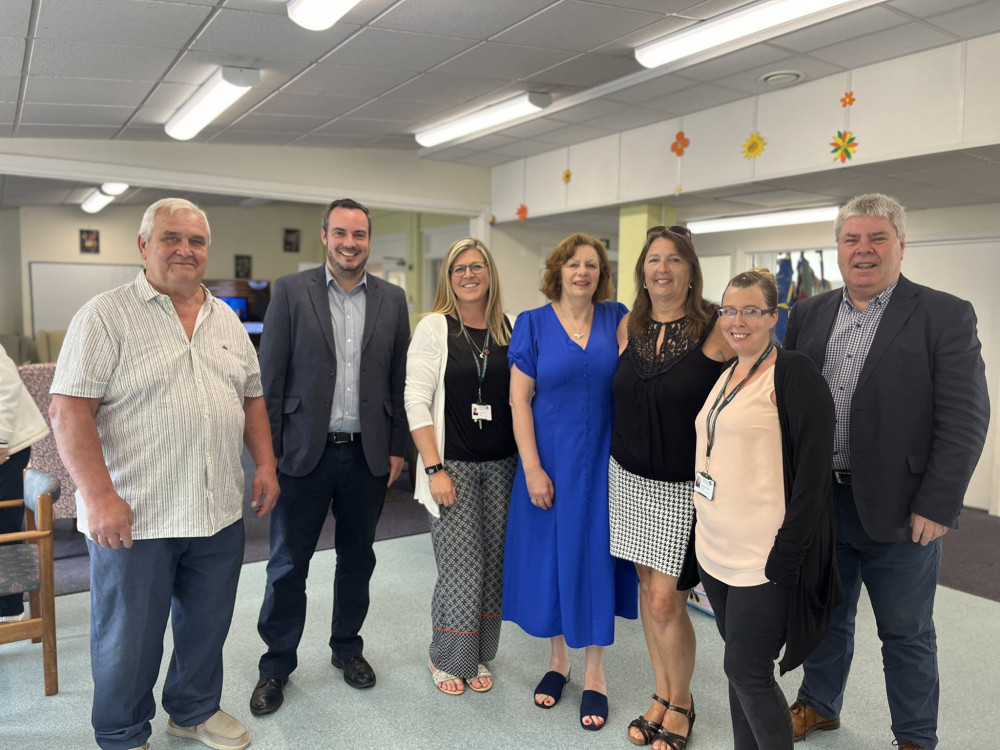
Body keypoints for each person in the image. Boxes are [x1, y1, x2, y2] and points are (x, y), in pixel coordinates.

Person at [49, 198, 279, 750]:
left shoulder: (225, 317)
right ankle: (124, 732)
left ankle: (193, 709)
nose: (185, 250)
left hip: (216, 507)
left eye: (196, 241)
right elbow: (68, 410)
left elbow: (251, 399)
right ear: (144, 245)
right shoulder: (105, 316)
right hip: (136, 513)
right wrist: (99, 496)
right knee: (129, 637)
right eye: (171, 238)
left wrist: (266, 463)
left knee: (206, 625)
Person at [783, 194, 990, 750]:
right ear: (838, 248)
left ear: (901, 244)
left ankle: (915, 736)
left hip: (904, 509)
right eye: (852, 240)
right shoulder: (807, 313)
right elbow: (786, 405)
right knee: (825, 616)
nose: (864, 250)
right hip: (824, 502)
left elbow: (966, 418)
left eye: (877, 238)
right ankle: (819, 705)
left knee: (906, 631)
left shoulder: (944, 314)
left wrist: (938, 503)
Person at [251, 198, 410, 716]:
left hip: (366, 456)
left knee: (357, 560)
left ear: (369, 240)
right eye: (340, 233)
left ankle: (347, 649)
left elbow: (400, 380)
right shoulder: (291, 292)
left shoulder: (393, 298)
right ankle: (276, 665)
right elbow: (269, 380)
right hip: (302, 455)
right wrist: (267, 460)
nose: (349, 243)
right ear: (324, 236)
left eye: (359, 235)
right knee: (287, 566)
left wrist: (397, 448)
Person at [693, 268, 839, 750]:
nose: (738, 320)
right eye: (729, 310)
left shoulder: (793, 373)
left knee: (746, 669)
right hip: (716, 551)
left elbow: (815, 477)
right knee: (740, 668)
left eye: (751, 310)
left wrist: (788, 554)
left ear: (773, 316)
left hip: (763, 556)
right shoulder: (727, 373)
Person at [503, 233, 638, 731]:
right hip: (550, 464)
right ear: (557, 270)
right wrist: (533, 468)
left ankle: (595, 673)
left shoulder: (617, 317)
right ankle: (559, 662)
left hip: (605, 461)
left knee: (597, 559)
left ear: (601, 275)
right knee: (556, 560)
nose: (583, 273)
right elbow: (520, 401)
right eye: (573, 264)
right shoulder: (532, 325)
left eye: (593, 265)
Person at [608, 226, 732, 748]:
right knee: (645, 592)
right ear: (642, 271)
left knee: (666, 602)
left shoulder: (717, 330)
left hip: (683, 488)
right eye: (654, 259)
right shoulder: (627, 328)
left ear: (690, 270)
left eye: (674, 260)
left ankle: (681, 703)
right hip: (628, 479)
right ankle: (660, 694)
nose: (663, 268)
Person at [405, 237, 517, 696]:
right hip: (453, 465)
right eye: (458, 269)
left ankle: (477, 655)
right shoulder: (435, 327)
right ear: (448, 278)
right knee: (460, 565)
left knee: (493, 565)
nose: (469, 275)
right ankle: (446, 656)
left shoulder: (506, 329)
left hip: (502, 465)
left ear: (490, 273)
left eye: (477, 267)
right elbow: (416, 401)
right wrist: (435, 470)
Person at [0, 346, 50, 623]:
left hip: (8, 445)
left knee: (3, 523)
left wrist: (1, 438)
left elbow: (7, 389)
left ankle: (8, 609)